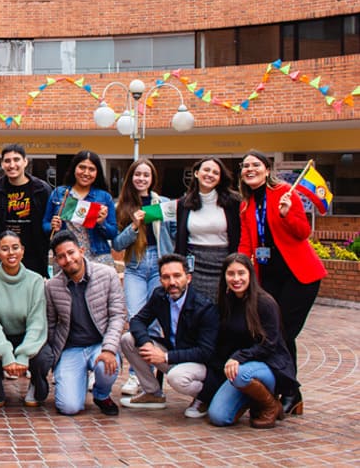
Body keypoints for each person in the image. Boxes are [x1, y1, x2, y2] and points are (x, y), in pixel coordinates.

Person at [238, 150, 325, 416]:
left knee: (284, 334)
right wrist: (238, 267)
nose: (249, 169)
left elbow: (303, 233)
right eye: (245, 166)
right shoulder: (246, 204)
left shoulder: (285, 192)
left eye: (255, 165)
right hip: (269, 277)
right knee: (276, 333)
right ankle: (287, 391)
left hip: (299, 276)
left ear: (266, 169)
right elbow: (246, 241)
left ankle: (290, 392)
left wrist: (288, 214)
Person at [28, 230, 125, 416]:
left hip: (100, 344)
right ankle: (76, 380)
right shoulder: (52, 286)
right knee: (68, 407)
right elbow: (51, 324)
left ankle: (101, 394)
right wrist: (53, 358)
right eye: (61, 256)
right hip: (71, 348)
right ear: (56, 260)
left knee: (106, 367)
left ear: (81, 250)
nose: (68, 259)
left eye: (71, 252)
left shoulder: (107, 274)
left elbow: (117, 315)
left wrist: (109, 348)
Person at [202, 253, 297, 428]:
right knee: (218, 417)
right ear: (224, 277)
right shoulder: (226, 302)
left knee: (240, 375)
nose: (236, 279)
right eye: (231, 274)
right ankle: (253, 398)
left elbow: (270, 344)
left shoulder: (265, 303)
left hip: (268, 366)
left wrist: (239, 357)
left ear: (250, 275)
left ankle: (270, 405)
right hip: (240, 369)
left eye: (241, 273)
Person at [119, 254, 218, 418]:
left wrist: (165, 356)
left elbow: (206, 352)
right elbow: (137, 320)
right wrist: (147, 344)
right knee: (128, 340)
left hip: (202, 365)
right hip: (175, 356)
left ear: (188, 278)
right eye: (166, 277)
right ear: (160, 280)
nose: (172, 282)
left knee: (176, 378)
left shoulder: (204, 307)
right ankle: (153, 393)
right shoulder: (160, 296)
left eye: (177, 276)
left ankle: (205, 397)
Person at [112, 158, 176, 395]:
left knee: (156, 321)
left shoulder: (164, 203)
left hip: (159, 264)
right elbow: (117, 243)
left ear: (152, 178)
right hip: (136, 266)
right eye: (137, 174)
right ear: (131, 177)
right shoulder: (123, 206)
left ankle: (146, 376)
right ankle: (135, 376)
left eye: (146, 175)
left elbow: (175, 233)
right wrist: (135, 226)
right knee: (136, 318)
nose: (141, 179)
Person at [0, 231, 46, 407]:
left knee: (43, 356)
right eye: (5, 249)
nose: (11, 253)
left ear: (22, 250)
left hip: (26, 337)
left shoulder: (36, 280)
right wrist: (6, 354)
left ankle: (36, 382)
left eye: (15, 248)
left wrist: (23, 355)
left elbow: (37, 323)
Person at [175, 157, 241, 302]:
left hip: (223, 264)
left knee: (222, 309)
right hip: (194, 266)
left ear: (220, 178)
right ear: (197, 173)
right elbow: (180, 239)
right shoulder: (183, 203)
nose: (210, 174)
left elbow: (238, 236)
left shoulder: (233, 202)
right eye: (206, 170)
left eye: (215, 172)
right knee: (196, 309)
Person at [44, 150, 117, 267]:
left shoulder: (104, 197)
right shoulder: (59, 193)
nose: (86, 173)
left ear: (97, 173)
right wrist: (52, 226)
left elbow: (113, 233)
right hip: (66, 256)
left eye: (91, 169)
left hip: (97, 257)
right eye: (82, 167)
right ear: (74, 168)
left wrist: (102, 223)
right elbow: (45, 224)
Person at [0, 144, 52, 277]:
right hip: (5, 254)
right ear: (2, 164)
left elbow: (49, 222)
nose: (12, 165)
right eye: (7, 161)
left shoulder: (42, 190)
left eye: (16, 159)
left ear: (25, 161)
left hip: (35, 255)